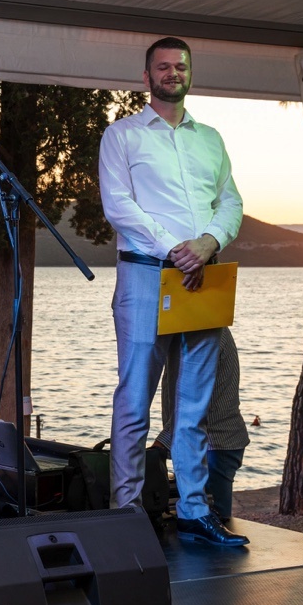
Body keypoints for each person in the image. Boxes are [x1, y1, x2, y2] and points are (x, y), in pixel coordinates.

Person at [98, 36, 247, 546]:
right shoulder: (121, 136)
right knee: (134, 401)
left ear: (189, 73)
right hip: (145, 276)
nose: (172, 74)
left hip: (203, 277)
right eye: (162, 67)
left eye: (180, 66)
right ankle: (125, 511)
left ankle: (193, 512)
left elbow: (231, 202)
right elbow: (119, 205)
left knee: (194, 406)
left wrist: (208, 242)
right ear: (147, 77)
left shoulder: (211, 139)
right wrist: (173, 248)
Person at [155, 327, 250, 521]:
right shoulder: (199, 332)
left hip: (215, 444)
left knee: (214, 519)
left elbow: (193, 404)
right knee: (206, 518)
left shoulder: (204, 334)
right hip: (210, 442)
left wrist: (160, 445)